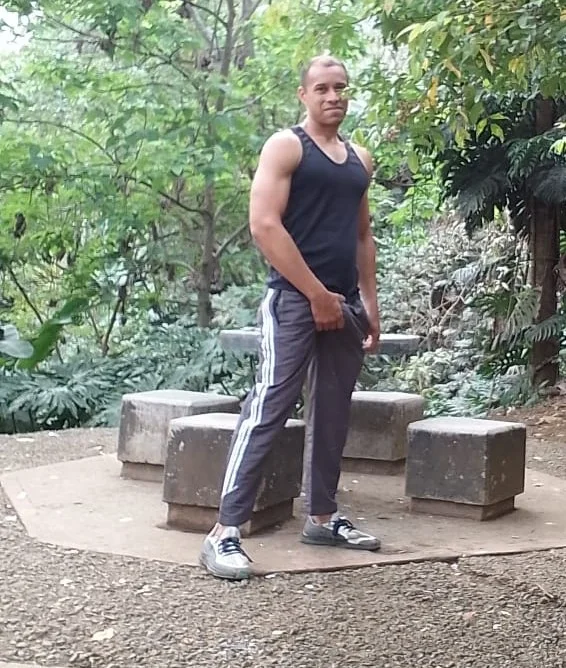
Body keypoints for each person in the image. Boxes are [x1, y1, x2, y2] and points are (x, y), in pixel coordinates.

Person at [199, 54, 381, 580]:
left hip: (344, 303)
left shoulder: (359, 159)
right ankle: (224, 532)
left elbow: (362, 235)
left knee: (333, 409)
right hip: (293, 302)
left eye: (340, 87)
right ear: (304, 94)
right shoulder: (287, 146)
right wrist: (316, 294)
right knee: (269, 407)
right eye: (322, 88)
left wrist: (368, 301)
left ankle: (322, 518)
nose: (333, 96)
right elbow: (264, 225)